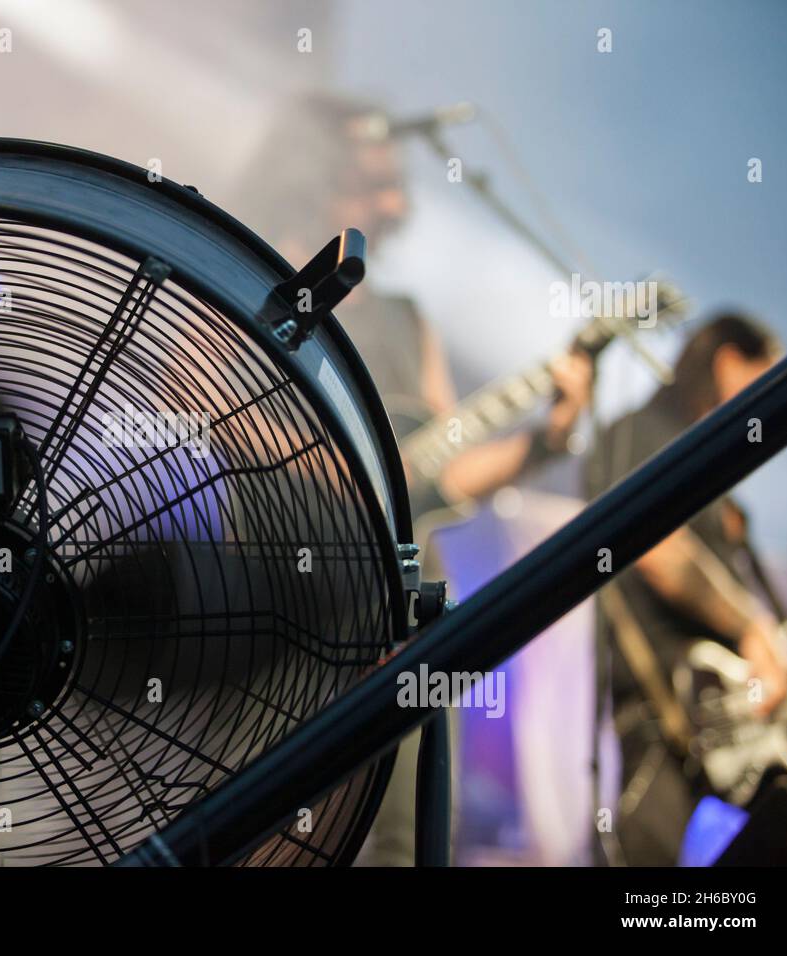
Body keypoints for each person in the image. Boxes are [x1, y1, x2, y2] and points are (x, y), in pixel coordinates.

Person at [233, 90, 593, 865]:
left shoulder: (405, 316)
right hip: (278, 599)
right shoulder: (252, 283)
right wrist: (338, 471)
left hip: (398, 616)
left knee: (404, 834)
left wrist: (550, 434)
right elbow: (203, 418)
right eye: (376, 180)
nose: (397, 200)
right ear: (317, 178)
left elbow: (448, 470)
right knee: (257, 821)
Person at [584, 313, 787, 866]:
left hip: (718, 720)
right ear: (727, 364)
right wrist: (752, 629)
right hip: (664, 711)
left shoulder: (715, 480)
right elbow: (659, 551)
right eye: (761, 379)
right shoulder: (647, 433)